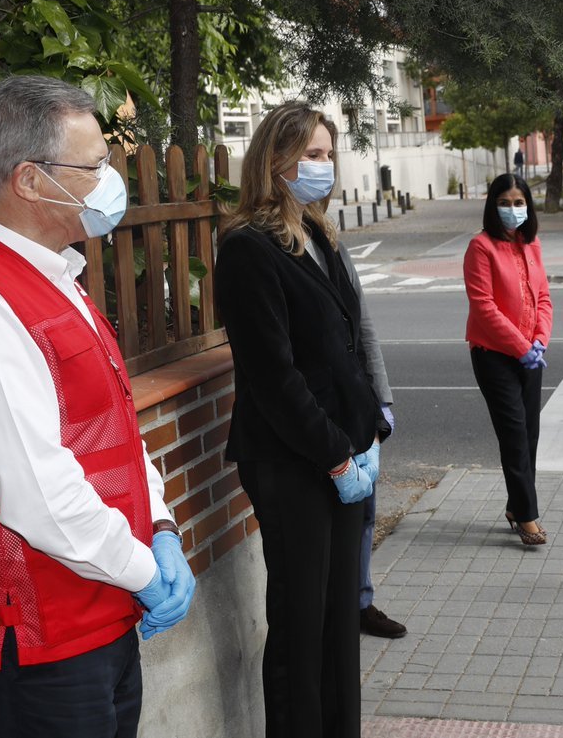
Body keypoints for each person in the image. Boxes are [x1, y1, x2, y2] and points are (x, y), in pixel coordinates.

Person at [0, 75, 195, 738]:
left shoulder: (56, 276)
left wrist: (159, 525)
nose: (110, 178)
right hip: (36, 635)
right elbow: (38, 491)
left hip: (96, 612)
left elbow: (116, 431)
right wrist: (145, 570)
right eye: (95, 165)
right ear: (31, 181)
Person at [214, 101, 390, 737]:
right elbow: (274, 376)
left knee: (340, 618)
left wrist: (371, 429)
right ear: (275, 160)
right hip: (292, 461)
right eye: (311, 155)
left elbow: (347, 345)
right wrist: (336, 455)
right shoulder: (246, 250)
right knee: (301, 622)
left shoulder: (318, 233)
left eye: (327, 154)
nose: (324, 166)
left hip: (344, 450)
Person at [464, 174, 554, 546]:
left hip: (530, 355)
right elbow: (483, 307)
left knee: (530, 433)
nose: (513, 209)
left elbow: (544, 297)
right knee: (514, 434)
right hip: (493, 355)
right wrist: (521, 347)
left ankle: (517, 505)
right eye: (505, 202)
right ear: (492, 204)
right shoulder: (480, 246)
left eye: (520, 203)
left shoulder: (531, 244)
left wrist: (540, 342)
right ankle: (528, 517)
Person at [340, 244, 408, 639]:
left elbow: (364, 325)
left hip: (359, 402)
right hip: (321, 412)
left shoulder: (333, 243)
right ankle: (340, 607)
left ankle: (360, 602)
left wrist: (381, 398)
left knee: (365, 509)